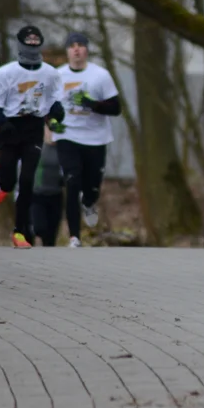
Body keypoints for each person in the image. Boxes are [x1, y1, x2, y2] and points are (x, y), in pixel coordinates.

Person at [0, 25, 66, 249]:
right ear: (20, 44)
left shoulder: (50, 73)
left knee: (27, 180)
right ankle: (1, 158)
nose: (31, 42)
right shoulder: (5, 73)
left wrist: (57, 112)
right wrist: (1, 122)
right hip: (10, 127)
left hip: (33, 128)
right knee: (8, 184)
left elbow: (56, 101)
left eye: (35, 39)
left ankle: (20, 232)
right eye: (27, 39)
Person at [54, 32, 121, 247]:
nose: (76, 49)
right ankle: (74, 236)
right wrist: (52, 123)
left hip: (95, 137)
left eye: (80, 45)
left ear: (87, 50)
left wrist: (92, 104)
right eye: (72, 45)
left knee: (92, 185)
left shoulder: (100, 75)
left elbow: (116, 108)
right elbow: (47, 106)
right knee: (72, 180)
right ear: (66, 51)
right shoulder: (57, 76)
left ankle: (90, 203)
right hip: (67, 135)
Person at [31, 124, 64, 247]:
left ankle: (47, 257)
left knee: (51, 235)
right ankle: (35, 240)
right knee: (40, 228)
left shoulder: (63, 149)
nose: (52, 134)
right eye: (49, 131)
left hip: (56, 194)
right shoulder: (38, 147)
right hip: (37, 194)